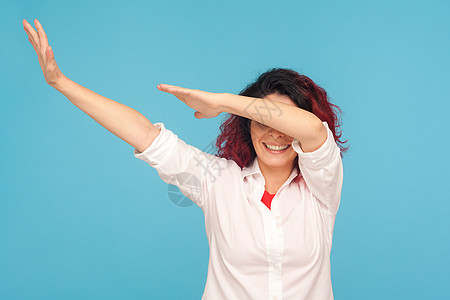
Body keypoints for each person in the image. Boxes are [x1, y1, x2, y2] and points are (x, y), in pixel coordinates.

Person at [23, 18, 349, 300]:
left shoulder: (322, 185)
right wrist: (60, 82)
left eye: (283, 122)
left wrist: (222, 101)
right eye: (264, 122)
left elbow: (312, 130)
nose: (275, 135)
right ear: (247, 126)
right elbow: (145, 134)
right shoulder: (218, 181)